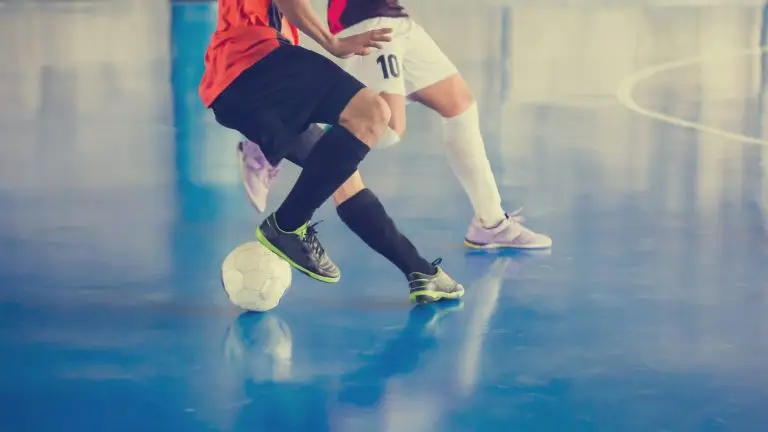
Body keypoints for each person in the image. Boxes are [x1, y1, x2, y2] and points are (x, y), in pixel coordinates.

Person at [201, 0, 463, 303]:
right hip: (257, 61)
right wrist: (331, 42)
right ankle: (285, 224)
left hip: (233, 91)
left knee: (342, 177)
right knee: (372, 113)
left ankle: (420, 273)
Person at [238, 0, 552, 250]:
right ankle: (272, 139)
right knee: (384, 127)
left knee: (460, 105)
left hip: (396, 18)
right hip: (367, 18)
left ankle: (491, 222)